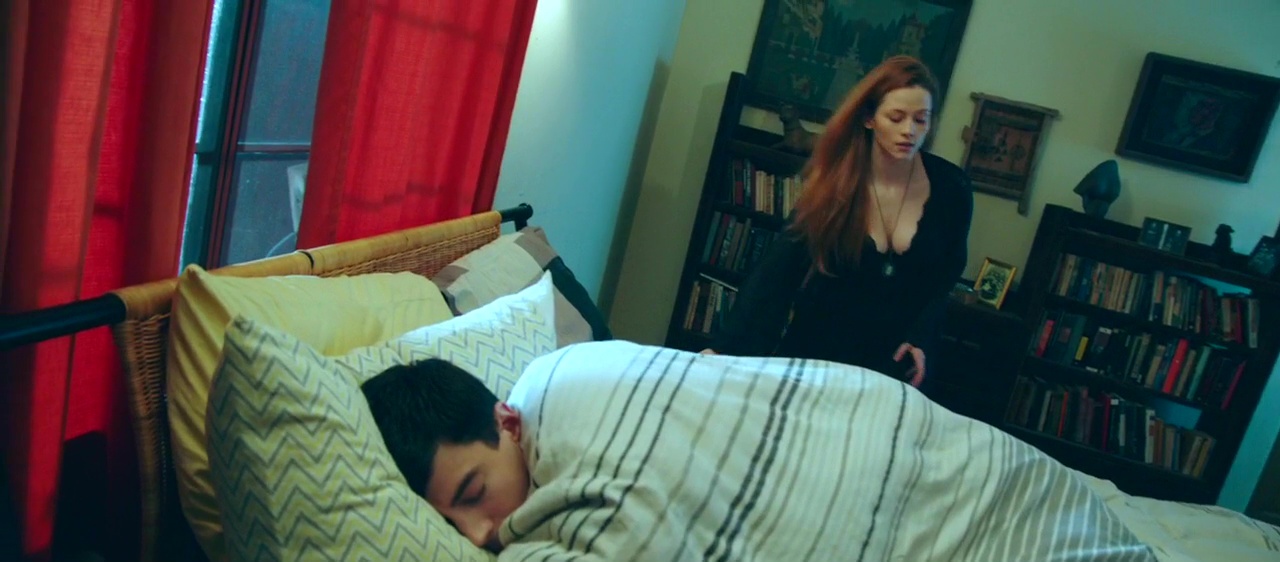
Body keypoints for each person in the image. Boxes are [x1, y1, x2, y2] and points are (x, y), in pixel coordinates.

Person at [361, 341, 1177, 561]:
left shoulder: (562, 383)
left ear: (507, 421)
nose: (480, 536)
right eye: (454, 523)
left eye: (474, 494)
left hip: (905, 451)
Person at [706, 55, 974, 388]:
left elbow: (944, 279)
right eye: (896, 117)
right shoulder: (837, 184)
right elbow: (777, 274)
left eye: (921, 119)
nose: (909, 130)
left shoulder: (952, 189)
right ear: (869, 118)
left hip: (892, 367)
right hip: (818, 358)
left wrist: (920, 337)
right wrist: (724, 349)